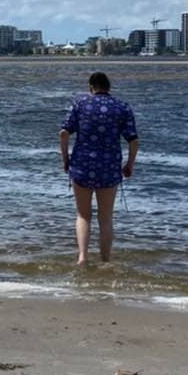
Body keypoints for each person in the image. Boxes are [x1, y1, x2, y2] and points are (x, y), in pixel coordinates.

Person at [60, 71, 138, 266]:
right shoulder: (122, 107)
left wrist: (66, 159)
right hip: (109, 167)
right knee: (105, 217)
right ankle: (105, 261)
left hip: (82, 164)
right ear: (108, 87)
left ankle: (82, 257)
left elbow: (63, 133)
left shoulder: (80, 104)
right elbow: (134, 140)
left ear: (90, 87)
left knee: (83, 215)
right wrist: (129, 164)